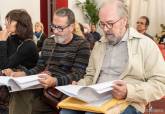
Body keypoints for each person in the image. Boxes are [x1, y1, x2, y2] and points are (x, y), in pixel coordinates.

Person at [60, 0, 165, 114]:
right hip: (95, 99)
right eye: (102, 24)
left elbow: (160, 84)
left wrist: (128, 92)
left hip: (128, 101)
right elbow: (90, 76)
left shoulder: (145, 44)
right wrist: (79, 86)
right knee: (66, 112)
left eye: (110, 23)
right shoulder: (99, 45)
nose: (105, 29)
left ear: (124, 21)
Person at [11, 8, 90, 114]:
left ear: (71, 27)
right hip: (43, 87)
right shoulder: (48, 41)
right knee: (17, 93)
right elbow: (39, 67)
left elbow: (78, 75)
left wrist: (54, 81)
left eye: (60, 28)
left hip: (62, 91)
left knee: (31, 107)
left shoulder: (81, 44)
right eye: (53, 26)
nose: (55, 31)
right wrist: (24, 74)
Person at [0, 9, 38, 114]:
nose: (5, 23)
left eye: (9, 20)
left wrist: (2, 41)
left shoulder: (28, 45)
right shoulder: (13, 39)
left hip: (27, 87)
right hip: (12, 84)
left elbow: (4, 65)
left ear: (20, 23)